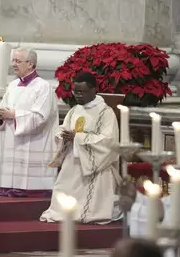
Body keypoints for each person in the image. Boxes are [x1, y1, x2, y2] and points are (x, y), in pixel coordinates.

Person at [40, 72, 121, 224]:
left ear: (93, 90)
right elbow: (64, 128)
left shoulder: (105, 113)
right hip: (72, 161)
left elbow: (109, 141)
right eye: (75, 91)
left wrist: (77, 138)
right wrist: (62, 136)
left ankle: (86, 213)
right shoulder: (75, 110)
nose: (77, 95)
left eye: (81, 92)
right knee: (63, 188)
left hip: (94, 166)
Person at [0, 47, 58, 197]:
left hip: (35, 139)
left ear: (30, 64)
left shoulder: (43, 87)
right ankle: (9, 184)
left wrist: (14, 115)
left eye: (18, 61)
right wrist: (1, 114)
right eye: (13, 61)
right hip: (12, 134)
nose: (14, 64)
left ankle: (32, 186)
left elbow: (41, 117)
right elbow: (4, 106)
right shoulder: (12, 85)